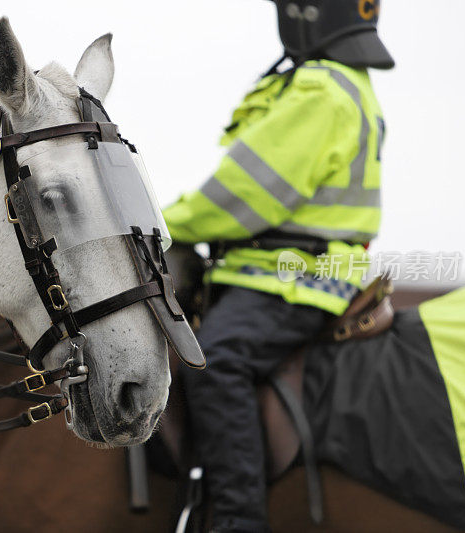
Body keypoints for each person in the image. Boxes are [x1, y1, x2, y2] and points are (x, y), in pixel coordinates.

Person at [162, 1, 394, 531]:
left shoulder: (319, 90)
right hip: (292, 272)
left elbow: (241, 198)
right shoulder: (345, 86)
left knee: (215, 360)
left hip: (292, 278)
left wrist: (155, 227)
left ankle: (238, 521)